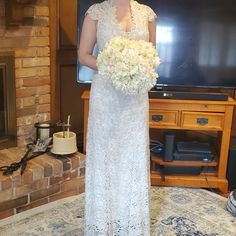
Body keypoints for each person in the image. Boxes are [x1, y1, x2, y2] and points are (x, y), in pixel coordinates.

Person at [78, 0, 157, 235]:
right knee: (106, 157)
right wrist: (112, 65)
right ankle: (104, 226)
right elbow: (83, 55)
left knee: (132, 155)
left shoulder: (148, 14)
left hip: (135, 98)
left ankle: (132, 225)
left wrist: (137, 67)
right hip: (106, 97)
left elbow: (152, 55)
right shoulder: (96, 12)